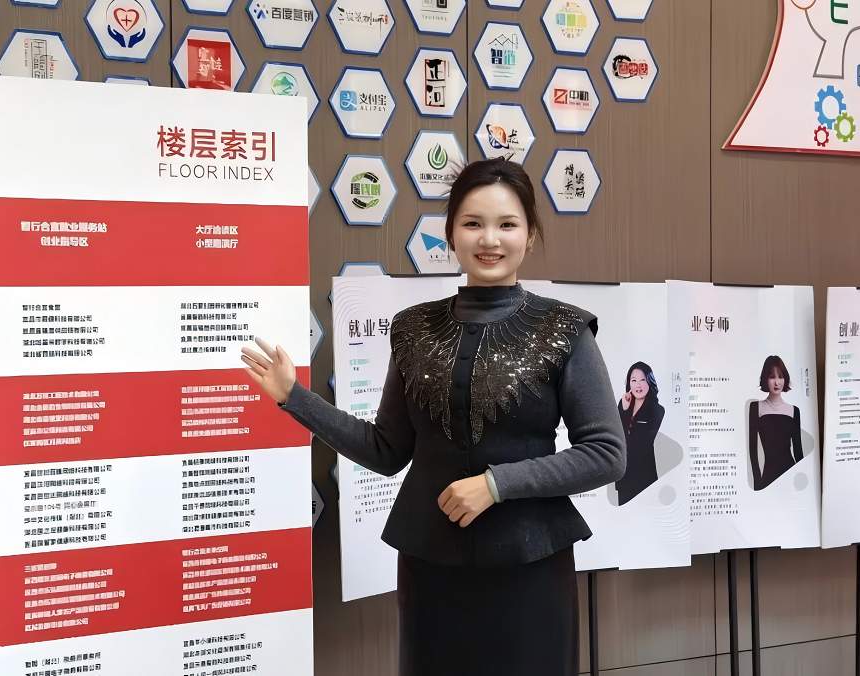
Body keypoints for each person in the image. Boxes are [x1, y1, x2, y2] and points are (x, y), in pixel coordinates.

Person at [240, 158, 626, 676]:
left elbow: (606, 454)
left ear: (530, 235)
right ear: (450, 234)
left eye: (507, 224)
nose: (489, 239)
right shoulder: (412, 328)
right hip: (430, 565)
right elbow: (386, 450)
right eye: (473, 223)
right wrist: (294, 397)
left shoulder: (565, 329)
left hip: (530, 565)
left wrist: (496, 485)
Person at [749, 355, 804, 491]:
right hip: (768, 476)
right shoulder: (755, 407)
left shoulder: (794, 411)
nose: (777, 382)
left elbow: (798, 452)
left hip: (791, 474)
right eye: (772, 377)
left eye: (780, 376)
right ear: (765, 379)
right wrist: (758, 484)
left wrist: (802, 484)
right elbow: (753, 451)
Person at [616, 362, 665, 505]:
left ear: (650, 381)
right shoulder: (623, 404)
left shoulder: (657, 410)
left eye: (643, 379)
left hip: (644, 479)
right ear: (629, 384)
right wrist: (624, 410)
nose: (638, 385)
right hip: (623, 477)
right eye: (634, 380)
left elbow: (642, 444)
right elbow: (617, 436)